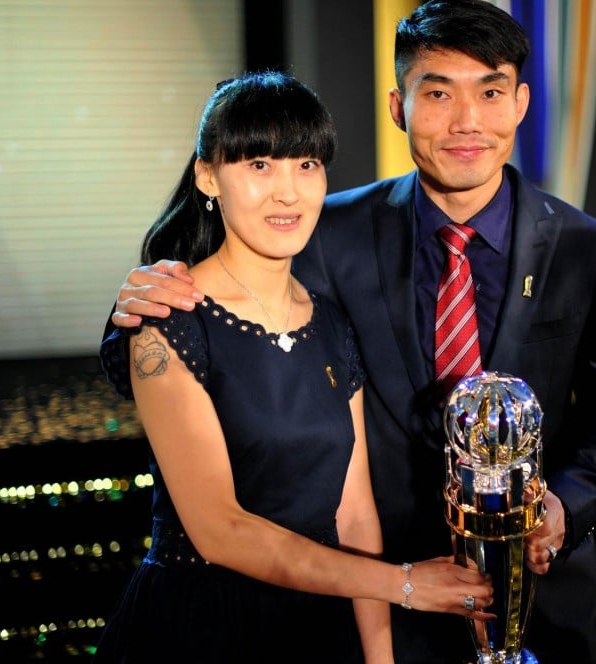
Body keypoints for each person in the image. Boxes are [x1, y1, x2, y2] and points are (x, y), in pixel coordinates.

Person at [104, 0, 596, 664]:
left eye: (490, 92)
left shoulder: (588, 248)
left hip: (542, 598)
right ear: (399, 107)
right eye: (438, 93)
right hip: (385, 598)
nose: (466, 121)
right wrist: (134, 305)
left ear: (521, 104)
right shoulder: (326, 230)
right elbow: (225, 291)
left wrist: (564, 507)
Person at [93, 70, 493, 664]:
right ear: (209, 176)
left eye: (306, 165)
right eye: (260, 165)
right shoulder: (167, 319)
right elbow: (221, 530)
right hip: (203, 627)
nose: (288, 191)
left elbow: (355, 515)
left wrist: (378, 657)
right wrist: (406, 584)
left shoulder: (330, 322)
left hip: (318, 625)